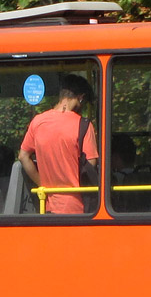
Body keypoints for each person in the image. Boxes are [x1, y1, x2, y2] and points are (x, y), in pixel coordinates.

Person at [18, 74, 98, 214]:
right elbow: (91, 164)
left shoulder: (37, 121)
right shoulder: (84, 125)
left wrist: (42, 183)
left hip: (47, 205)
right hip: (76, 207)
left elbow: (23, 156)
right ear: (81, 97)